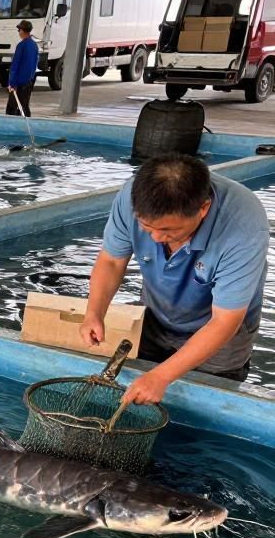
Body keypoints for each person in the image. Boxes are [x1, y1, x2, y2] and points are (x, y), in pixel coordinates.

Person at [80, 153, 267, 403]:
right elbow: (112, 261)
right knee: (140, 391)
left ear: (203, 209)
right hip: (156, 315)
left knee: (205, 406)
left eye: (169, 230)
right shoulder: (133, 196)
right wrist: (94, 313)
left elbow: (224, 321)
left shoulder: (243, 226)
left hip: (221, 333)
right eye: (147, 227)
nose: (156, 238)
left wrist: (161, 376)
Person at [7, 20, 38, 117]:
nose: (19, 32)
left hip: (19, 84)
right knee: (24, 106)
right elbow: (34, 64)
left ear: (22, 31)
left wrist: (12, 83)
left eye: (19, 30)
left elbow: (15, 65)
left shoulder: (21, 46)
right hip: (29, 82)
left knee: (12, 109)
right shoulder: (34, 45)